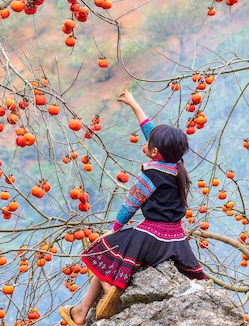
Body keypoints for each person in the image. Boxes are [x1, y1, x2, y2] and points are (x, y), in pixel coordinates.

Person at [59, 84, 206, 326]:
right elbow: (151, 131)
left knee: (99, 248)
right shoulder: (176, 165)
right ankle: (81, 311)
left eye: (150, 142)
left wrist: (115, 228)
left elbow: (130, 204)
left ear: (154, 152)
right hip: (176, 241)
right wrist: (133, 103)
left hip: (150, 239)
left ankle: (110, 292)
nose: (146, 140)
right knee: (111, 255)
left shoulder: (150, 174)